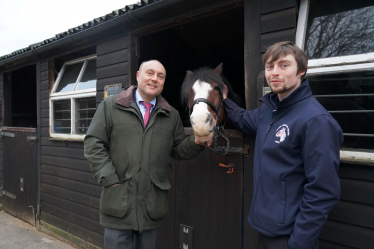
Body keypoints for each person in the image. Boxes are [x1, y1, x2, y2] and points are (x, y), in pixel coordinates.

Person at [223, 41, 343, 249]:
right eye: (270, 67)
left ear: (301, 71)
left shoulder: (316, 121)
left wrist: (299, 243)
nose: (274, 73)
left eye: (284, 65)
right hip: (264, 226)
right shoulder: (268, 111)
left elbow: (323, 191)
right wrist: (224, 99)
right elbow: (243, 119)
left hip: (288, 237)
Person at [84, 60, 210, 249]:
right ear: (137, 76)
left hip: (151, 205)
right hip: (118, 201)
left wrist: (197, 142)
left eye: (160, 76)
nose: (154, 79)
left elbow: (178, 149)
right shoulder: (111, 106)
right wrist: (109, 178)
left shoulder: (171, 114)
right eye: (149, 73)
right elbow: (94, 143)